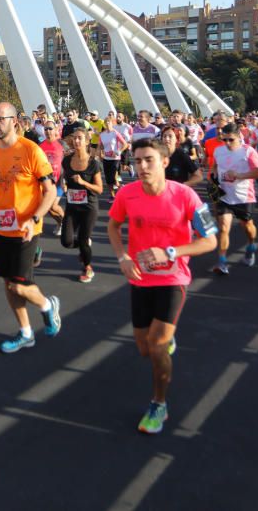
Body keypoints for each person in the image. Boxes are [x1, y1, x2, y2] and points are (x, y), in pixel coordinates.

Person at [107, 138, 218, 435]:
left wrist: (170, 253)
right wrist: (122, 257)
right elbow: (113, 225)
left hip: (173, 278)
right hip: (141, 278)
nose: (142, 166)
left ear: (164, 162)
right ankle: (165, 343)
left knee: (156, 348)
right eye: (137, 160)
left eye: (149, 160)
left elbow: (211, 240)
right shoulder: (127, 194)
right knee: (145, 348)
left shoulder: (186, 196)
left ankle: (159, 404)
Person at [0, 102, 61, 353]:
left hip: (26, 228)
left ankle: (48, 306)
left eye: (0, 119)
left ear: (14, 120)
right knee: (8, 283)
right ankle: (26, 332)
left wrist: (36, 218)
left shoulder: (31, 150)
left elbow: (49, 191)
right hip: (1, 226)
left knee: (19, 284)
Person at [209, 124, 258, 275]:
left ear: (239, 136)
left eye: (230, 140)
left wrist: (239, 176)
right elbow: (214, 166)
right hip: (224, 196)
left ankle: (251, 245)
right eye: (224, 139)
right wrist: (213, 179)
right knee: (224, 228)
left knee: (247, 227)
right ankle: (222, 262)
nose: (226, 143)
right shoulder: (218, 150)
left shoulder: (248, 151)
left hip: (243, 196)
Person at [60, 129, 102, 282]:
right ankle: (85, 248)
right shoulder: (67, 160)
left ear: (86, 141)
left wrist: (83, 182)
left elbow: (99, 189)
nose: (77, 141)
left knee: (83, 240)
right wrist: (64, 184)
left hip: (88, 207)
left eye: (80, 138)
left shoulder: (93, 163)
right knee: (67, 241)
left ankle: (88, 267)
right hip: (72, 205)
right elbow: (63, 177)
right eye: (75, 138)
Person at [98, 116, 130, 200]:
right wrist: (100, 154)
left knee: (114, 179)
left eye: (109, 122)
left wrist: (119, 151)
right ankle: (112, 196)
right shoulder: (102, 135)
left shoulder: (115, 133)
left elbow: (125, 144)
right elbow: (100, 146)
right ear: (104, 124)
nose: (107, 124)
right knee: (108, 180)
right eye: (106, 122)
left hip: (115, 159)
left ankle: (123, 190)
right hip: (106, 159)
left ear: (112, 123)